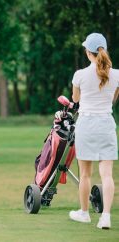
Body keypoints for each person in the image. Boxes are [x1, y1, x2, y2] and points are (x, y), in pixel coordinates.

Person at [68, 33, 119, 229]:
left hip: (86, 125)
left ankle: (84, 213)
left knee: (86, 174)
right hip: (106, 125)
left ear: (88, 53)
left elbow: (76, 99)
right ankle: (105, 217)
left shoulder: (80, 75)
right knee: (107, 174)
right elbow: (113, 99)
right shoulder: (116, 74)